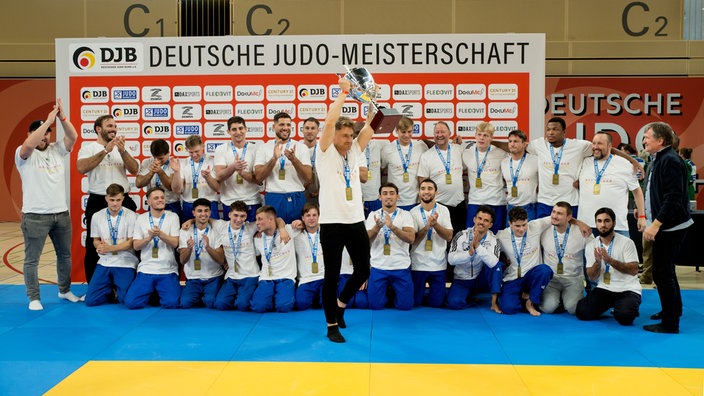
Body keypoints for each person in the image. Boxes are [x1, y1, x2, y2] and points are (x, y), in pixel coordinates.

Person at [316, 78, 374, 343]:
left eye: (352, 135)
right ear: (335, 136)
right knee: (331, 276)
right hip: (331, 223)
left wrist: (372, 102)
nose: (350, 139)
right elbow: (329, 122)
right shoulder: (325, 152)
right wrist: (343, 93)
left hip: (355, 221)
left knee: (363, 270)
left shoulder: (355, 151)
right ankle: (331, 325)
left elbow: (371, 127)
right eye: (345, 136)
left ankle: (341, 304)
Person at [15, 100, 83, 310]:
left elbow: (73, 137)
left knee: (65, 256)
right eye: (41, 133)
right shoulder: (23, 154)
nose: (45, 137)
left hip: (60, 214)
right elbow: (29, 145)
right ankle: (34, 298)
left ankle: (64, 290)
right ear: (31, 133)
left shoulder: (57, 150)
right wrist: (47, 122)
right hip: (35, 216)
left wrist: (61, 118)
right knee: (32, 260)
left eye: (48, 133)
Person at [642, 122, 692, 334]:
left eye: (647, 137)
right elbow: (657, 191)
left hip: (670, 227)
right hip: (667, 225)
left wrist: (656, 223)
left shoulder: (669, 161)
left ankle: (670, 323)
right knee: (666, 271)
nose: (643, 140)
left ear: (660, 140)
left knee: (662, 273)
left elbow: (673, 198)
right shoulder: (660, 159)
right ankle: (672, 310)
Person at [76, 114, 138, 283]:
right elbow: (81, 168)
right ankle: (94, 285)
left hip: (124, 199)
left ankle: (130, 282)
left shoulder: (121, 148)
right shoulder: (88, 148)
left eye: (115, 126)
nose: (114, 129)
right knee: (93, 244)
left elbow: (134, 169)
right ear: (98, 129)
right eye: (109, 126)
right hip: (98, 201)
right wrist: (105, 151)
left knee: (133, 241)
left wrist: (123, 151)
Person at [213, 201, 288, 311]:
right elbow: (204, 219)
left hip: (250, 276)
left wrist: (282, 229)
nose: (239, 219)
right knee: (220, 304)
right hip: (231, 276)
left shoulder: (251, 227)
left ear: (246, 216)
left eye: (242, 216)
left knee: (242, 305)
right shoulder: (220, 225)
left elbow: (276, 219)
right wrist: (190, 222)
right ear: (229, 215)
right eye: (236, 215)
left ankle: (244, 297)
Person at [576, 207, 642, 326]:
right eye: (599, 221)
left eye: (607, 221)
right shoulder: (592, 245)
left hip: (627, 289)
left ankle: (625, 305)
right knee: (582, 312)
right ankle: (612, 305)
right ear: (596, 223)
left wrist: (610, 260)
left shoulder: (627, 242)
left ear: (614, 223)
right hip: (605, 288)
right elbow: (591, 277)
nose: (603, 225)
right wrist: (597, 262)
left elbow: (634, 270)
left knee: (624, 317)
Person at [577, 131, 646, 237]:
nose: (595, 147)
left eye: (600, 143)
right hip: (587, 226)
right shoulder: (584, 162)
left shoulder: (624, 165)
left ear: (610, 146)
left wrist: (642, 217)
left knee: (618, 254)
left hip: (617, 227)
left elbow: (637, 191)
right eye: (594, 143)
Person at [124, 187, 181, 309]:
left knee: (172, 303)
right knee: (131, 303)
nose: (160, 200)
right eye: (156, 198)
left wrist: (161, 234)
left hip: (167, 269)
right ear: (148, 202)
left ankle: (155, 294)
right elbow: (136, 246)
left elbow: (175, 243)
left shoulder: (173, 217)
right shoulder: (141, 218)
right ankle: (154, 294)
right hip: (146, 269)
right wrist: (148, 238)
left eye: (162, 197)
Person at [254, 112, 312, 224]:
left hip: (297, 195)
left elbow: (308, 177)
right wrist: (274, 159)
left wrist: (294, 159)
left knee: (298, 232)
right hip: (274, 196)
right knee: (273, 232)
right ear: (273, 126)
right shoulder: (264, 148)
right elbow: (258, 177)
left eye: (288, 125)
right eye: (281, 125)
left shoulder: (301, 147)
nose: (285, 128)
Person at [85, 184, 138, 306]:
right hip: (105, 261)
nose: (115, 204)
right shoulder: (97, 216)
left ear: (123, 199)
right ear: (106, 199)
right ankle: (111, 289)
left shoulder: (131, 216)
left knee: (125, 300)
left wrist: (110, 248)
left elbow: (131, 243)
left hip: (126, 261)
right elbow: (95, 240)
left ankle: (117, 288)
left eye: (118, 200)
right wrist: (99, 246)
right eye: (112, 200)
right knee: (90, 301)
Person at [496, 207, 555, 316]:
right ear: (510, 223)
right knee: (509, 309)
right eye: (517, 226)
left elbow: (558, 217)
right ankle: (521, 296)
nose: (522, 229)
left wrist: (580, 224)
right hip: (512, 278)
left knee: (545, 270)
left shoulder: (536, 226)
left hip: (530, 276)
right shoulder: (501, 236)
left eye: (524, 225)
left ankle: (530, 302)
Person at [366, 183, 416, 310]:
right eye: (385, 193)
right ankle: (386, 294)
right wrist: (377, 227)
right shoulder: (373, 215)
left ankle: (394, 294)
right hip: (379, 267)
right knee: (374, 305)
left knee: (406, 306)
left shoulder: (405, 215)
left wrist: (392, 227)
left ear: (398, 196)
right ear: (379, 197)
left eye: (392, 193)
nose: (388, 196)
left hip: (400, 266)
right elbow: (365, 240)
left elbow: (411, 238)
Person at [446, 206, 502, 312]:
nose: (481, 222)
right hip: (462, 280)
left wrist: (478, 247)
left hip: (481, 279)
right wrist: (469, 253)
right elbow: (451, 259)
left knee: (498, 266)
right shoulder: (460, 236)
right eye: (480, 218)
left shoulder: (494, 239)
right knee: (454, 303)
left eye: (486, 221)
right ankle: (470, 298)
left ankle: (494, 302)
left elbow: (494, 263)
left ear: (490, 225)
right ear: (474, 219)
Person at [539, 202, 591, 315]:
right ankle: (559, 299)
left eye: (559, 213)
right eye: (553, 212)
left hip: (573, 279)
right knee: (548, 308)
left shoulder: (582, 232)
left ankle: (566, 298)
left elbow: (593, 253)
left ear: (569, 217)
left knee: (573, 309)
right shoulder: (543, 229)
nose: (554, 216)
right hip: (552, 280)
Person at [417, 121, 466, 236]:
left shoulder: (459, 150)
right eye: (437, 132)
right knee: (440, 241)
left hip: (459, 205)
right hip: (439, 207)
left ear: (449, 133)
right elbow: (422, 183)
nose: (440, 135)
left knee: (459, 240)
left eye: (443, 132)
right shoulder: (426, 156)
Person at [409, 179, 453, 307]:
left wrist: (436, 225)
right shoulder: (413, 212)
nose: (426, 192)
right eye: (423, 189)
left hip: (438, 265)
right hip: (418, 265)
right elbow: (413, 240)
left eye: (429, 188)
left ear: (436, 192)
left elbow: (449, 236)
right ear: (419, 192)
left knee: (437, 304)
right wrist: (427, 227)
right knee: (415, 303)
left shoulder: (444, 210)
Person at [178, 198, 225, 308]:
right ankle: (199, 295)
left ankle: (205, 295)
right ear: (193, 212)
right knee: (185, 303)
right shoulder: (185, 231)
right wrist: (189, 248)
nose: (203, 214)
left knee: (211, 302)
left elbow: (221, 260)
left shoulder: (216, 229)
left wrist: (208, 247)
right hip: (193, 278)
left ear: (210, 212)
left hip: (213, 277)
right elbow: (182, 260)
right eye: (199, 211)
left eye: (206, 210)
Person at [462, 122, 507, 233]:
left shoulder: (501, 153)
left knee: (497, 237)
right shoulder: (466, 153)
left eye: (486, 135)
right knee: (471, 237)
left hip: (496, 202)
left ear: (491, 137)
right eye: (479, 134)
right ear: (475, 136)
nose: (482, 138)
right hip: (475, 202)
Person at [251, 205, 297, 313]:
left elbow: (307, 225)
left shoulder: (289, 230)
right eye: (256, 219)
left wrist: (282, 228)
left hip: (286, 277)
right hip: (266, 278)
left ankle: (278, 298)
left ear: (271, 220)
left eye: (260, 219)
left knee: (284, 307)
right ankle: (269, 297)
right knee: (259, 307)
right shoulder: (257, 238)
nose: (256, 223)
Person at [214, 116, 261, 221]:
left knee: (252, 235)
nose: (238, 132)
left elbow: (258, 179)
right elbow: (219, 176)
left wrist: (242, 173)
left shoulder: (256, 149)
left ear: (246, 129)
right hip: (229, 202)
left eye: (241, 128)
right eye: (234, 129)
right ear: (228, 131)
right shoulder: (221, 149)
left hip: (252, 201)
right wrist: (233, 167)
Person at [381, 116, 428, 211]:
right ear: (396, 131)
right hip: (395, 202)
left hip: (416, 201)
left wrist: (453, 144)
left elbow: (436, 150)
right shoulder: (388, 149)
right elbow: (380, 170)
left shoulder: (421, 146)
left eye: (410, 131)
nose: (407, 135)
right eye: (403, 132)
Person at [173, 135, 220, 223]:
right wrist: (176, 172)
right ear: (186, 149)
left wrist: (208, 177)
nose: (194, 155)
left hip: (209, 203)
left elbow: (217, 188)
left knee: (213, 233)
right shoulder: (183, 163)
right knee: (188, 233)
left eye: (197, 151)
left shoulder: (212, 162)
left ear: (202, 147)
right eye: (191, 152)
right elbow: (177, 189)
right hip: (189, 204)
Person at [291, 203, 325, 310]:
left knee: (327, 304)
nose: (311, 218)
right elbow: (278, 222)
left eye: (314, 215)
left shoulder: (326, 232)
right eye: (308, 215)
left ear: (319, 217)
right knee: (301, 304)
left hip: (324, 278)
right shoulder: (295, 234)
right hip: (306, 280)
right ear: (302, 218)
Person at [500, 130, 539, 223]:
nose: (512, 144)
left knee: (529, 236)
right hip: (511, 207)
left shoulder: (535, 160)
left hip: (529, 207)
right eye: (510, 141)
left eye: (516, 141)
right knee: (510, 237)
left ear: (524, 144)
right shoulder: (504, 162)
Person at [135, 139, 181, 216]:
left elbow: (171, 187)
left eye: (161, 158)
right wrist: (152, 172)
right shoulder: (147, 162)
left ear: (168, 153)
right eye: (155, 158)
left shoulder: (174, 163)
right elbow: (138, 184)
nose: (158, 161)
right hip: (153, 204)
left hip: (171, 204)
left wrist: (160, 171)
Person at [300, 117, 321, 204]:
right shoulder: (296, 149)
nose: (310, 131)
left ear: (318, 130)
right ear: (302, 130)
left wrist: (322, 189)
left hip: (320, 194)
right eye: (307, 128)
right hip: (300, 192)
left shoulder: (322, 149)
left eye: (313, 128)